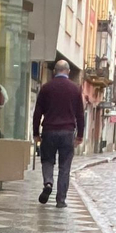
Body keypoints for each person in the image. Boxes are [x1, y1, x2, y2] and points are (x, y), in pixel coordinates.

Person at [31, 59, 85, 206]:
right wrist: (80, 135)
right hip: (67, 132)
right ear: (67, 71)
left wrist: (36, 132)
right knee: (64, 166)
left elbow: (37, 112)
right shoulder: (75, 89)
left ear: (55, 71)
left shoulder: (46, 88)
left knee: (47, 160)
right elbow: (80, 114)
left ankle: (48, 182)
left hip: (49, 131)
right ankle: (61, 200)